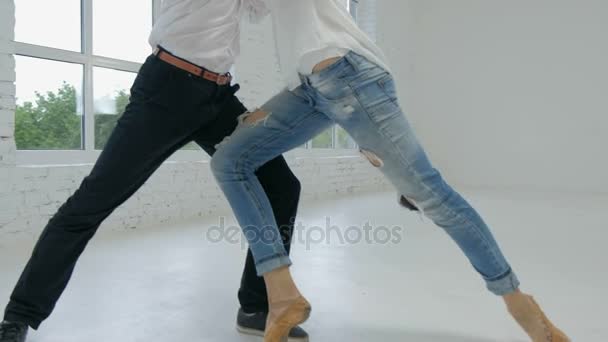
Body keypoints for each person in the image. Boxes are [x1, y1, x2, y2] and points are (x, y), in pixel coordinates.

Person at [209, 0, 571, 341]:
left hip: (348, 74)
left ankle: (515, 299)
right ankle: (282, 293)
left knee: (430, 194)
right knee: (230, 161)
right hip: (307, 89)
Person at [0, 1, 309, 342]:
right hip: (168, 89)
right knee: (91, 202)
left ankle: (256, 307)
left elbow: (260, 9)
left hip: (217, 96)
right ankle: (19, 315)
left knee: (280, 184)